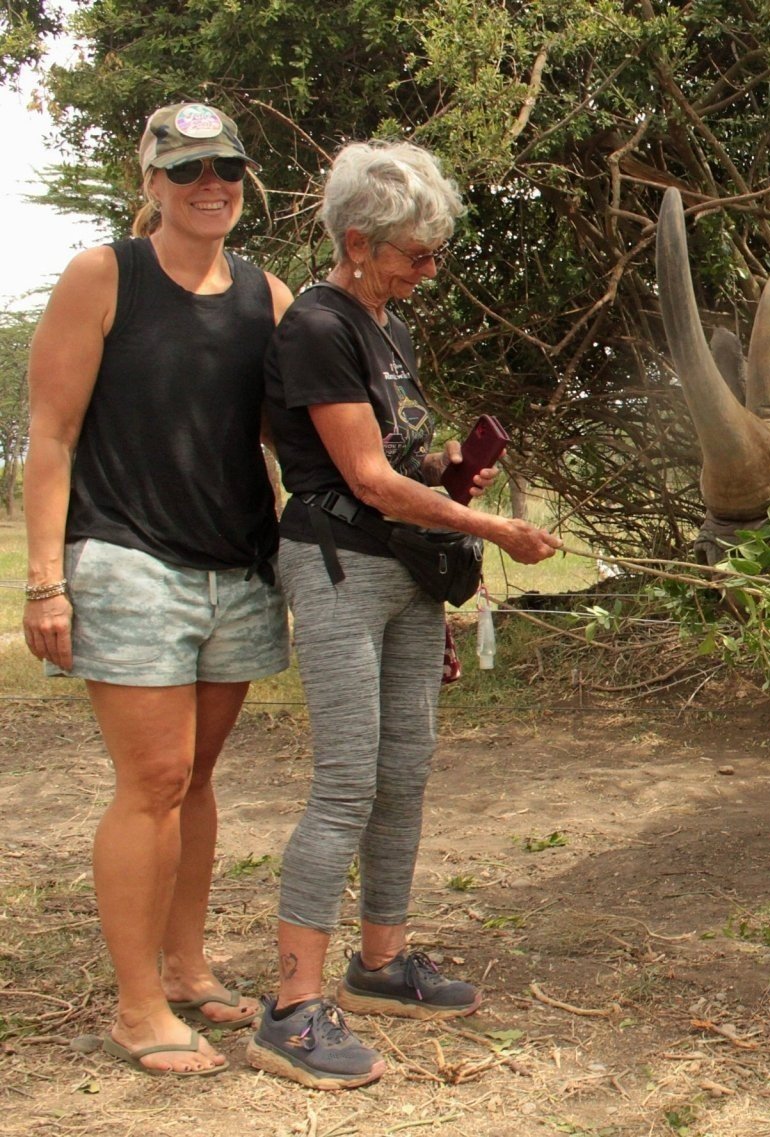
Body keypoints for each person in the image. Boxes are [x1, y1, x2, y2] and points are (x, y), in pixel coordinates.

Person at [247, 140, 562, 1091]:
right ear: (357, 241)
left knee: (406, 768)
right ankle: (292, 1007)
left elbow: (398, 459)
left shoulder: (388, 327)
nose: (427, 271)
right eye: (414, 255)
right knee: (347, 779)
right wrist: (491, 527)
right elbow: (364, 477)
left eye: (433, 253)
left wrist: (449, 472)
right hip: (340, 565)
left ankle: (381, 961)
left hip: (407, 571)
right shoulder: (317, 326)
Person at [21, 103, 293, 1074]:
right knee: (154, 782)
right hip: (128, 559)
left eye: (226, 168)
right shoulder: (106, 276)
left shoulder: (266, 295)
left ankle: (185, 967)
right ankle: (138, 1008)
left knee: (197, 779)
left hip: (236, 566)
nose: (209, 185)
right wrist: (44, 583)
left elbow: (297, 433)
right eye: (186, 171)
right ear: (151, 183)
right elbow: (51, 434)